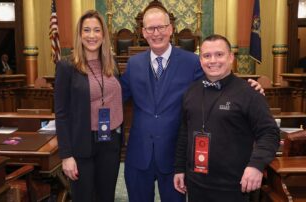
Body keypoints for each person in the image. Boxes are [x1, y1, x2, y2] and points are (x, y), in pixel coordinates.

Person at [120, 7, 263, 202]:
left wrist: (249, 87)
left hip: (174, 158)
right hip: (138, 156)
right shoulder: (133, 63)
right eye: (151, 29)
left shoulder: (193, 61)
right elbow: (116, 95)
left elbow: (219, 79)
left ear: (171, 29)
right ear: (143, 32)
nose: (156, 33)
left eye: (161, 27)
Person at [173, 34, 280, 202]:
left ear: (231, 57)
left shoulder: (249, 93)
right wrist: (179, 168)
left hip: (234, 187)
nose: (212, 60)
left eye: (219, 54)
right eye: (206, 56)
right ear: (200, 60)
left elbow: (270, 133)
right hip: (196, 185)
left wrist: (256, 165)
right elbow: (184, 134)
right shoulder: (191, 92)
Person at [54, 10, 123, 202]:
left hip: (110, 141)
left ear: (103, 35)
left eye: (96, 30)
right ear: (79, 34)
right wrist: (66, 155)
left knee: (106, 196)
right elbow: (61, 113)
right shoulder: (66, 66)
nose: (92, 35)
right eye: (86, 30)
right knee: (84, 197)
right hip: (82, 143)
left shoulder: (112, 63)